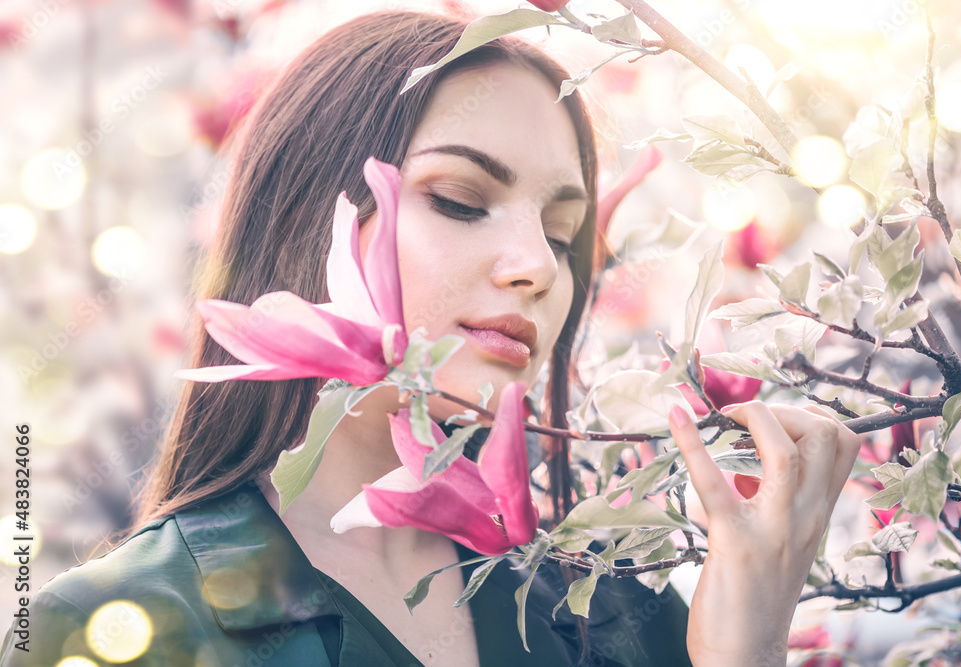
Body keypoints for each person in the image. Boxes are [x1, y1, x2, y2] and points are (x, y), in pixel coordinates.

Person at [1, 9, 860, 667]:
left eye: (563, 235)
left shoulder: (621, 619)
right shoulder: (108, 628)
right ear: (313, 219)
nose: (537, 267)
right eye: (458, 198)